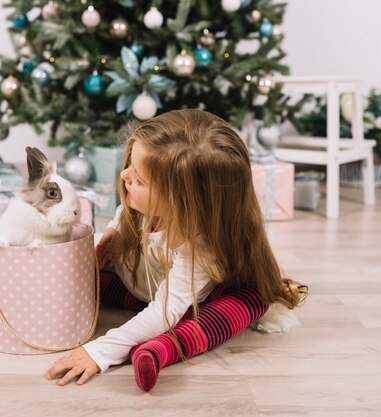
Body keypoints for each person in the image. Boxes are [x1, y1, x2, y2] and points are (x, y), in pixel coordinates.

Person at [47, 109, 307, 392]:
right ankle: (153, 332)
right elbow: (124, 211)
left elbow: (165, 311)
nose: (124, 175)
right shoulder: (143, 205)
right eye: (130, 165)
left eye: (139, 180)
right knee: (91, 276)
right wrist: (114, 232)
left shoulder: (199, 245)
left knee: (252, 298)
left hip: (182, 305)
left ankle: (164, 348)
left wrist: (101, 350)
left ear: (182, 203)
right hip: (147, 289)